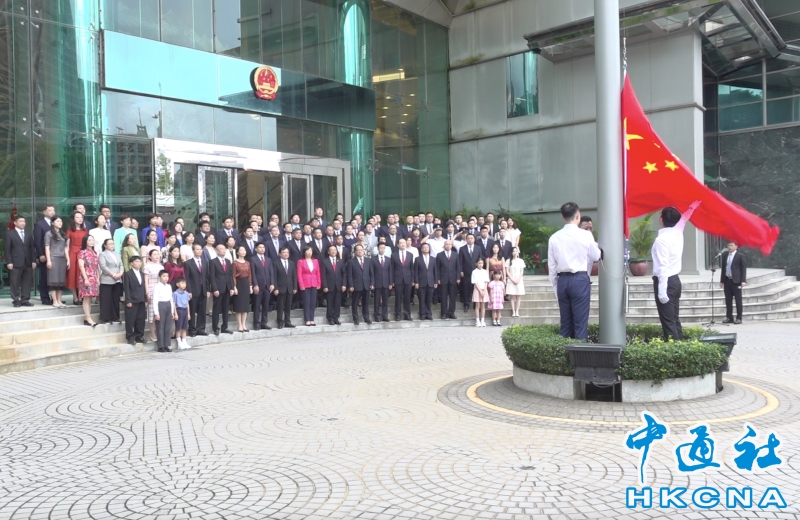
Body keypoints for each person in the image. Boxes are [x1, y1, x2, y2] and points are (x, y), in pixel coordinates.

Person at [548, 202, 601, 340]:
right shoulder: (586, 235)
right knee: (580, 324)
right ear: (578, 215)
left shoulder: (554, 237)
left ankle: (563, 352)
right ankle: (579, 352)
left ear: (562, 217)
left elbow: (552, 267)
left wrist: (556, 288)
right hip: (580, 279)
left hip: (562, 280)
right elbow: (596, 256)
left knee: (565, 325)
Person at [652, 201, 701, 341]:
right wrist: (691, 208)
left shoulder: (661, 240)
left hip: (666, 282)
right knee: (674, 318)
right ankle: (680, 345)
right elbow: (684, 219)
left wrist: (662, 290)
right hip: (675, 281)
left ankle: (673, 348)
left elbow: (663, 266)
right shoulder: (677, 232)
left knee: (668, 321)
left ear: (661, 219)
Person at [5, 215, 36, 307]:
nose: (23, 223)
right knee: (15, 282)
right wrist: (9, 262)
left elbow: (32, 248)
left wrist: (33, 260)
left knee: (27, 282)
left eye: (24, 221)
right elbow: (7, 249)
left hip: (28, 261)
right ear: (15, 223)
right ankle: (16, 300)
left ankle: (25, 299)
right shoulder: (9, 234)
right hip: (15, 262)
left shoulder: (28, 234)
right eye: (21, 221)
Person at [209, 244, 235, 335]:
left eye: (224, 249)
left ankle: (225, 327)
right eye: (221, 249)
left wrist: (231, 287)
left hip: (227, 288)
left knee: (226, 308)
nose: (223, 251)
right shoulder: (213, 262)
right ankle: (215, 328)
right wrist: (214, 289)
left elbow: (230, 275)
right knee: (216, 308)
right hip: (218, 288)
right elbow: (212, 276)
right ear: (216, 251)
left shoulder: (228, 261)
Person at [720, 240, 747, 324]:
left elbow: (743, 268)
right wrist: (722, 281)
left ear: (736, 247)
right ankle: (729, 317)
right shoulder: (725, 255)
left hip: (736, 281)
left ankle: (739, 318)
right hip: (727, 280)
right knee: (728, 300)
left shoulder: (740, 255)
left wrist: (743, 280)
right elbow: (723, 269)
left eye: (731, 245)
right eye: (728, 245)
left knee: (738, 300)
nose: (730, 247)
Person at [185, 243, 208, 337]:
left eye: (200, 249)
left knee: (202, 311)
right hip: (193, 290)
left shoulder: (204, 262)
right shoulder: (188, 263)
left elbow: (206, 277)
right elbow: (187, 278)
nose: (199, 251)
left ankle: (201, 329)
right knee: (192, 310)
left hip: (203, 290)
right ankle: (192, 330)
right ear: (193, 251)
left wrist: (208, 289)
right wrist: (189, 290)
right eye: (197, 249)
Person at [44, 216, 68, 307]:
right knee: (53, 280)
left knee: (61, 280)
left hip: (62, 259)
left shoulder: (63, 234)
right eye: (58, 221)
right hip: (53, 258)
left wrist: (68, 259)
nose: (60, 223)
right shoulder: (49, 233)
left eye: (61, 221)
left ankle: (59, 300)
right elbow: (47, 247)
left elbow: (65, 248)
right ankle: (54, 300)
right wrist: (48, 260)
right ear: (53, 223)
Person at [98, 238, 123, 325]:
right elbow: (103, 266)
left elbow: (121, 265)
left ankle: (115, 317)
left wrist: (120, 273)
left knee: (115, 299)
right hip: (107, 279)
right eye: (110, 244)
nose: (112, 245)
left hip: (117, 279)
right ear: (105, 245)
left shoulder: (117, 254)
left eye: (113, 244)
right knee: (106, 299)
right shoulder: (102, 254)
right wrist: (113, 274)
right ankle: (106, 318)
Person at [123, 255, 146, 345]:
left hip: (141, 299)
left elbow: (144, 287)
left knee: (140, 319)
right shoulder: (128, 274)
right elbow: (126, 288)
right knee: (130, 319)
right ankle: (130, 337)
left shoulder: (142, 274)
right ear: (131, 263)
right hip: (132, 300)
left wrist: (145, 299)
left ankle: (139, 335)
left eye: (140, 261)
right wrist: (128, 300)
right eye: (136, 261)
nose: (139, 263)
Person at [66, 211, 88, 305]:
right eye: (77, 217)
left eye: (81, 217)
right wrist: (67, 259)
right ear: (73, 219)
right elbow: (67, 245)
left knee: (82, 275)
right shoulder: (70, 230)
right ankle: (75, 297)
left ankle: (81, 296)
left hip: (83, 253)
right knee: (73, 275)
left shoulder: (85, 230)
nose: (80, 219)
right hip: (73, 253)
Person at [250, 242, 273, 330]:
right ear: (256, 249)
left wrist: (272, 283)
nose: (262, 249)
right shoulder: (253, 259)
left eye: (263, 247)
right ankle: (256, 323)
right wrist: (255, 284)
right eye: (260, 247)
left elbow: (271, 272)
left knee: (265, 305)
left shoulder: (268, 259)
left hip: (267, 286)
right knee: (257, 305)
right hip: (258, 286)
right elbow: (253, 273)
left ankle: (264, 322)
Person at [77, 235, 100, 327]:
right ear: (85, 241)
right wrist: (86, 278)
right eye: (89, 240)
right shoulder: (82, 252)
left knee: (90, 298)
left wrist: (97, 278)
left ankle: (87, 318)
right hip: (86, 276)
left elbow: (96, 267)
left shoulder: (94, 252)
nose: (91, 242)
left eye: (92, 240)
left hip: (94, 277)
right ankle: (88, 318)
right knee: (86, 298)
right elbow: (81, 266)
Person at [34, 205, 55, 305]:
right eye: (49, 210)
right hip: (45, 255)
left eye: (53, 210)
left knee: (54, 277)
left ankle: (54, 298)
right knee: (44, 276)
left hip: (56, 255)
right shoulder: (39, 224)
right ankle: (45, 297)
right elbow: (37, 241)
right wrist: (40, 254)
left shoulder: (56, 223)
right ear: (44, 212)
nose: (52, 212)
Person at [347, 244, 372, 325]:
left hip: (366, 285)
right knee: (355, 303)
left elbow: (371, 273)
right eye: (358, 250)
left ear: (363, 251)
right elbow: (349, 275)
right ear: (355, 252)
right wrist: (351, 285)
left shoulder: (368, 260)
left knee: (366, 303)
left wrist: (372, 283)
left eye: (361, 250)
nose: (360, 251)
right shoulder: (351, 261)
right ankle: (356, 318)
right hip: (356, 285)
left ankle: (366, 317)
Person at [321, 245, 346, 325]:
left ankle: (336, 318)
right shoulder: (325, 261)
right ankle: (330, 318)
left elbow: (344, 274)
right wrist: (325, 286)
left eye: (334, 250)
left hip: (339, 285)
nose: (333, 251)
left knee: (337, 303)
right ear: (328, 252)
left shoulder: (340, 261)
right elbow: (323, 275)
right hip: (329, 286)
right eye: (331, 250)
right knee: (330, 303)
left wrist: (344, 284)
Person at [273, 246, 298, 329]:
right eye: (283, 252)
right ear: (280, 254)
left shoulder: (292, 263)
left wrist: (295, 287)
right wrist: (276, 288)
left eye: (287, 252)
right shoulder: (276, 263)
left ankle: (287, 321)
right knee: (280, 306)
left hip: (290, 288)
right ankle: (280, 322)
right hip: (280, 288)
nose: (286, 254)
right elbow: (274, 277)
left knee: (288, 306)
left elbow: (294, 276)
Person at [152, 270, 176, 352]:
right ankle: (160, 346)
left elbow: (171, 299)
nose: (166, 278)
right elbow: (155, 300)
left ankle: (167, 344)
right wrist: (156, 313)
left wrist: (172, 311)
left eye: (167, 276)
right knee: (160, 326)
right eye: (164, 276)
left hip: (168, 305)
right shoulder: (157, 286)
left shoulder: (169, 286)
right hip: (161, 305)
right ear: (159, 277)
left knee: (167, 326)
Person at [297, 245, 321, 326]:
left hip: (314, 283)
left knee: (313, 302)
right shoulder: (301, 261)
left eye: (310, 250)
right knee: (306, 302)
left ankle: (312, 319)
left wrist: (319, 283)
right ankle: (307, 319)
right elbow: (299, 274)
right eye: (307, 251)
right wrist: (301, 285)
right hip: (305, 283)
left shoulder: (315, 261)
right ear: (304, 252)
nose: (309, 252)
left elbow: (318, 273)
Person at [143, 249, 164, 342]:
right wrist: (147, 292)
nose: (156, 256)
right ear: (150, 256)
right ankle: (152, 333)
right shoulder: (147, 266)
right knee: (151, 312)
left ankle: (158, 331)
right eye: (154, 254)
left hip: (160, 290)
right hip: (151, 289)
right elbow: (146, 280)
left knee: (159, 311)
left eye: (158, 254)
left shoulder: (161, 266)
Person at [436, 240, 460, 320]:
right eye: (447, 244)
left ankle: (451, 313)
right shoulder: (439, 255)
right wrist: (438, 278)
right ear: (444, 245)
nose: (448, 245)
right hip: (443, 279)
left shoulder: (455, 255)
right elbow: (437, 268)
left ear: (452, 246)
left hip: (453, 278)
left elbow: (458, 267)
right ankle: (444, 313)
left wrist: (458, 277)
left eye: (450, 244)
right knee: (443, 297)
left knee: (453, 297)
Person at [232, 245, 253, 332]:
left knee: (245, 306)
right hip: (238, 283)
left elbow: (250, 275)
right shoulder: (235, 263)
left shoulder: (247, 263)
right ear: (237, 252)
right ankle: (239, 325)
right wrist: (234, 286)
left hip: (245, 283)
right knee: (239, 306)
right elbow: (233, 275)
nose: (243, 252)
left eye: (244, 250)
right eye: (241, 250)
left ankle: (244, 324)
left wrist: (250, 286)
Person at [391, 240, 414, 321]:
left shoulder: (410, 255)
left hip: (408, 279)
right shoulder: (394, 255)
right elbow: (392, 269)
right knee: (398, 298)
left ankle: (407, 314)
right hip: (398, 279)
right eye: (401, 243)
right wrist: (392, 281)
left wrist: (413, 279)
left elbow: (412, 268)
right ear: (398, 245)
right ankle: (397, 315)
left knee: (407, 298)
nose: (403, 244)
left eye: (404, 243)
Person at [414, 243, 437, 321]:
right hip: (421, 282)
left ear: (429, 249)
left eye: (427, 247)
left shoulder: (433, 259)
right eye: (424, 247)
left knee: (429, 299)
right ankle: (422, 314)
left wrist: (435, 282)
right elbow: (415, 272)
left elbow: (435, 271)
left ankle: (429, 314)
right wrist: (416, 282)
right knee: (422, 299)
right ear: (421, 249)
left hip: (431, 281)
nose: (426, 248)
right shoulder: (417, 259)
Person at [458, 233, 481, 312]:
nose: (470, 240)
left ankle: (475, 304)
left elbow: (480, 259)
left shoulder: (478, 248)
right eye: (468, 238)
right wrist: (461, 270)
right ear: (466, 239)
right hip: (466, 272)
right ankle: (466, 304)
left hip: (476, 272)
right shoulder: (462, 249)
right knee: (466, 288)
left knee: (475, 288)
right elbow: (460, 261)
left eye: (471, 238)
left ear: (474, 239)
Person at [371, 243, 392, 322]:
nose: (382, 249)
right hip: (377, 283)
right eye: (381, 248)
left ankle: (385, 315)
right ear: (378, 249)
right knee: (376, 300)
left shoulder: (388, 259)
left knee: (385, 301)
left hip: (386, 283)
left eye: (383, 248)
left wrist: (390, 283)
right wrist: (372, 283)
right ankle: (377, 316)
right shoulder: (373, 260)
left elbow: (390, 272)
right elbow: (372, 272)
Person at [506, 247, 526, 317]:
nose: (515, 253)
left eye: (516, 251)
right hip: (511, 280)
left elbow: (522, 271)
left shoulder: (521, 261)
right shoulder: (508, 261)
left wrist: (518, 279)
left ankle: (517, 311)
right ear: (511, 252)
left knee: (518, 296)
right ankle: (513, 311)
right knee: (512, 296)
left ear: (518, 252)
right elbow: (507, 271)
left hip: (519, 280)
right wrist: (512, 279)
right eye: (513, 251)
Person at [173, 278, 191, 349]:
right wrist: (175, 313)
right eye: (182, 283)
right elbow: (174, 304)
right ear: (177, 284)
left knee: (184, 327)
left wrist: (188, 313)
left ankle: (184, 341)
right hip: (179, 310)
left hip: (185, 310)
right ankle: (179, 342)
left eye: (185, 283)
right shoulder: (175, 293)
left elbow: (187, 304)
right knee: (178, 327)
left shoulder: (186, 293)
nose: (184, 285)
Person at [471, 258, 490, 327]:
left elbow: (486, 281)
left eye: (482, 263)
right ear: (476, 264)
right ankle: (477, 320)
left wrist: (484, 290)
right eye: (479, 263)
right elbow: (475, 282)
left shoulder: (485, 272)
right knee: (477, 305)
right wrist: (480, 290)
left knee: (483, 305)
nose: (480, 264)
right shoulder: (474, 272)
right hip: (477, 289)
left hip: (484, 290)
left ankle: (482, 320)